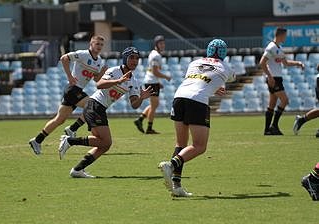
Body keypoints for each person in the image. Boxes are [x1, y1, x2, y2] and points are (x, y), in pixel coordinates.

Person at [58, 47, 153, 178]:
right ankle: (70, 141)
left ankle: (77, 169)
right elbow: (100, 84)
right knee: (106, 142)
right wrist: (118, 81)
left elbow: (134, 105)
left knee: (104, 145)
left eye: (137, 58)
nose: (135, 61)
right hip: (94, 105)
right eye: (131, 57)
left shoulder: (134, 81)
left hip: (100, 108)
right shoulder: (114, 71)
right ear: (125, 58)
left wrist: (141, 98)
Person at [158, 39, 235, 197]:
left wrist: (215, 85)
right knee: (199, 146)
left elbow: (199, 79)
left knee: (181, 144)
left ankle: (176, 186)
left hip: (179, 97)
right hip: (197, 101)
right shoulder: (225, 67)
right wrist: (220, 86)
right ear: (223, 53)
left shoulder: (194, 62)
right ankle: (170, 165)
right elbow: (228, 78)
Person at [29, 35, 108, 155]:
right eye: (97, 44)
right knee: (93, 106)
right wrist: (70, 77)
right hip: (73, 89)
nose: (99, 47)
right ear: (91, 44)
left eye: (101, 45)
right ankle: (72, 129)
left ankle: (37, 140)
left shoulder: (99, 61)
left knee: (59, 119)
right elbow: (64, 58)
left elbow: (96, 79)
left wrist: (102, 72)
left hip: (76, 91)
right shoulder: (83, 54)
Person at [260, 27, 305, 136]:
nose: (286, 37)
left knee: (272, 104)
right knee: (285, 100)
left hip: (277, 78)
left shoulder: (278, 48)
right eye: (285, 35)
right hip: (274, 79)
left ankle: (267, 130)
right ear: (280, 35)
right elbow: (262, 62)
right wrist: (270, 77)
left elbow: (285, 63)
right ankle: (274, 126)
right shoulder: (271, 47)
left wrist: (298, 63)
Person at [134, 35, 171, 134]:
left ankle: (140, 120)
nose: (163, 45)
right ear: (156, 44)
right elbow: (155, 72)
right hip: (151, 81)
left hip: (152, 81)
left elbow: (153, 71)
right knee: (154, 105)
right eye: (160, 43)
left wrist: (159, 82)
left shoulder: (154, 54)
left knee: (154, 105)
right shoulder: (156, 55)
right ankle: (148, 128)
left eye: (163, 43)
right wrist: (166, 77)